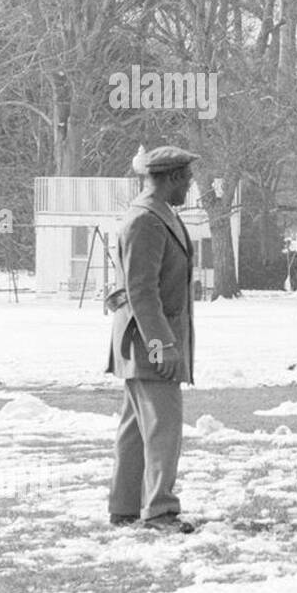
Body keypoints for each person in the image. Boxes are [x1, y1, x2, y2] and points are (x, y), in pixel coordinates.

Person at [104, 145, 199, 534]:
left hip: (144, 339)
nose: (190, 186)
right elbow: (142, 291)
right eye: (187, 179)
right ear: (172, 178)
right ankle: (160, 512)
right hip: (149, 341)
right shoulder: (146, 220)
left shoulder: (159, 215)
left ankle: (125, 507)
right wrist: (163, 344)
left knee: (135, 428)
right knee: (163, 427)